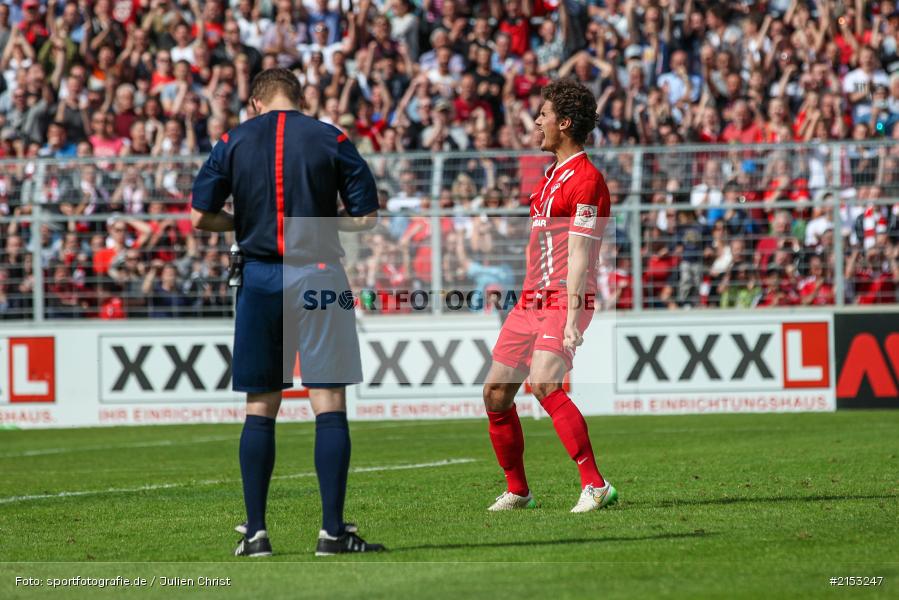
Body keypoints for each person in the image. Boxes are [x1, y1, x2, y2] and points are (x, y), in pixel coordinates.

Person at [190, 68, 384, 557]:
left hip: (259, 277)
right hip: (319, 274)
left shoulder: (233, 139)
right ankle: (332, 534)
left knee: (261, 406)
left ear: (255, 102)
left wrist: (244, 222)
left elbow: (198, 216)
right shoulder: (330, 136)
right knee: (329, 400)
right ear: (299, 98)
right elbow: (365, 217)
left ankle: (256, 534)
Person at [481, 78, 618, 513]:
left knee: (543, 382)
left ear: (564, 122)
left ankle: (595, 484)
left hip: (563, 298)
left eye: (542, 115)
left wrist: (575, 317)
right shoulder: (550, 178)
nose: (536, 121)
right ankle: (519, 490)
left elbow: (579, 255)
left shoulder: (587, 180)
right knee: (495, 394)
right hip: (529, 301)